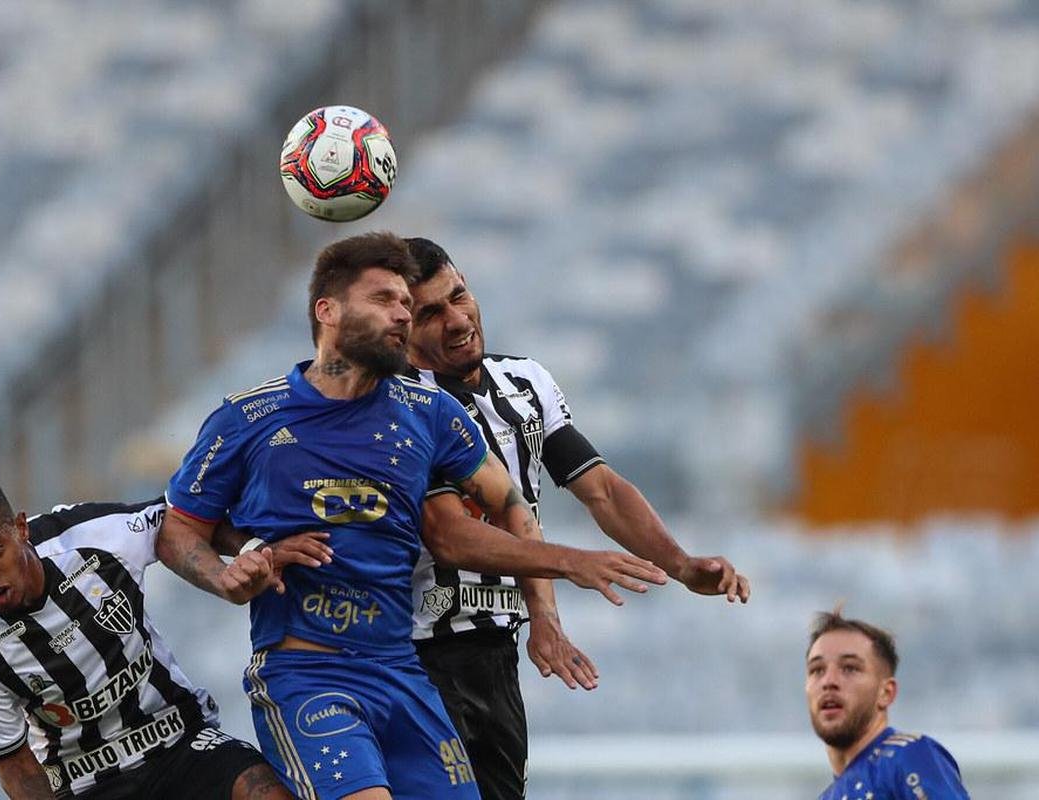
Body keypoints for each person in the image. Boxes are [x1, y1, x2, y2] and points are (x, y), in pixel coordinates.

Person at [158, 231, 666, 800]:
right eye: (384, 299)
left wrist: (544, 606)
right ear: (327, 311)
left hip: (401, 672)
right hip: (309, 676)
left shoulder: (430, 412)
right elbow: (178, 528)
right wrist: (232, 569)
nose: (401, 313)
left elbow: (510, 504)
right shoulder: (248, 418)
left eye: (405, 302)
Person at [403, 236, 753, 800]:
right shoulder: (400, 405)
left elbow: (602, 491)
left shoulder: (525, 382)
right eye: (430, 313)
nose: (458, 320)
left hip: (495, 649)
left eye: (459, 296)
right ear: (402, 329)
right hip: (415, 652)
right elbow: (447, 534)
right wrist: (568, 564)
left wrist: (682, 566)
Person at [0, 464, 293, 800]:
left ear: (21, 529)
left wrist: (250, 550)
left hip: (180, 741)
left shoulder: (91, 536)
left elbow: (177, 520)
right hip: (85, 781)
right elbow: (14, 763)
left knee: (264, 793)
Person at [806, 609, 971, 800]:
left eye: (850, 668)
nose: (828, 681)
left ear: (886, 692)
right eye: (817, 670)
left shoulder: (906, 756)